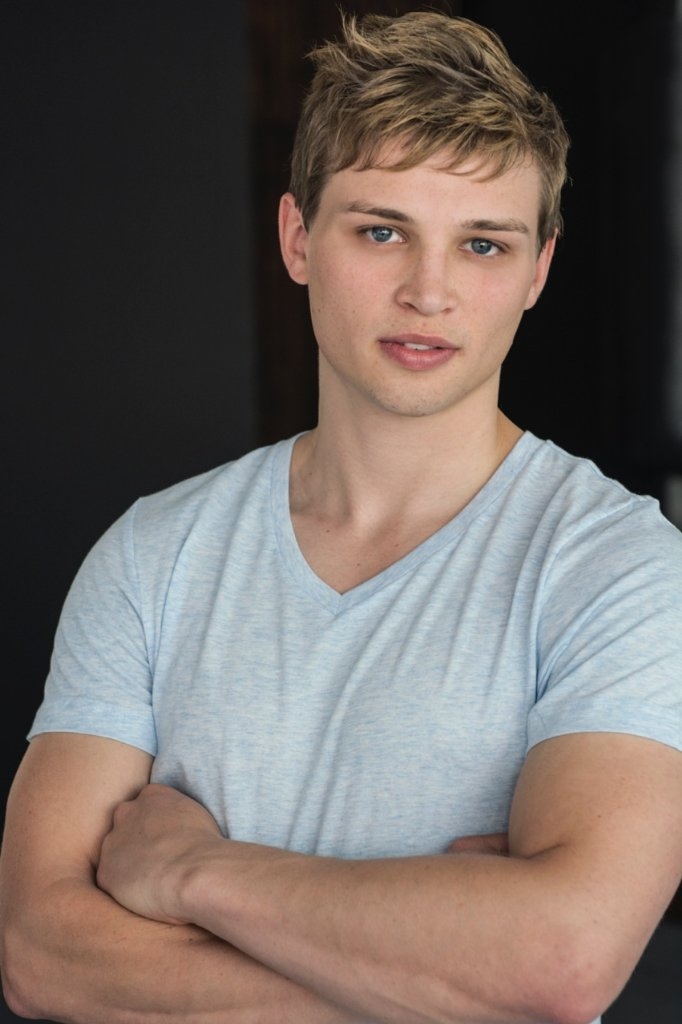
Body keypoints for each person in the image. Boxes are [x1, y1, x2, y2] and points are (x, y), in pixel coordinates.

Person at [1, 8, 681, 1024]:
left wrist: (191, 871)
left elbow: (558, 962)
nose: (428, 292)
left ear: (536, 271)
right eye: (380, 231)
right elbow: (39, 954)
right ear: (297, 239)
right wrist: (448, 977)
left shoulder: (618, 567)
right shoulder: (154, 553)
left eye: (482, 244)